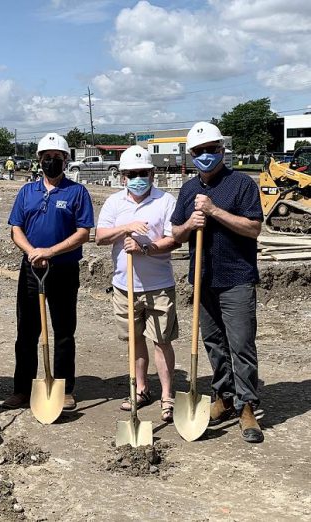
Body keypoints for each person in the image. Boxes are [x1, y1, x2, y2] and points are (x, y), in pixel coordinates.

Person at [171, 121, 264, 443]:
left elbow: (253, 228)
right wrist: (188, 225)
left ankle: (246, 406)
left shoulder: (241, 184)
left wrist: (213, 211)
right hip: (202, 277)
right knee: (214, 344)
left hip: (236, 277)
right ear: (191, 155)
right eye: (199, 152)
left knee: (241, 345)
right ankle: (223, 396)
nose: (206, 156)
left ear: (222, 150)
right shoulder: (187, 189)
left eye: (211, 150)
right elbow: (175, 233)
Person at [3, 133, 94, 411]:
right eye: (46, 158)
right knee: (27, 330)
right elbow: (15, 228)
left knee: (64, 330)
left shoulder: (77, 192)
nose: (51, 162)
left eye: (57, 158)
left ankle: (64, 388)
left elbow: (83, 233)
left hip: (63, 269)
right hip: (31, 268)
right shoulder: (26, 191)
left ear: (65, 160)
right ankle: (22, 388)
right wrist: (32, 251)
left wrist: (50, 252)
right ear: (39, 160)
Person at [95, 146, 180, 422]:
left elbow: (173, 240)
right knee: (134, 340)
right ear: (123, 176)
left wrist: (145, 248)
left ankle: (167, 396)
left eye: (143, 173)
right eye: (132, 174)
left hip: (159, 285)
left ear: (152, 173)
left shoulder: (166, 201)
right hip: (124, 285)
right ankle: (140, 389)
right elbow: (99, 236)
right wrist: (126, 228)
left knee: (162, 341)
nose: (138, 178)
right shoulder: (114, 203)